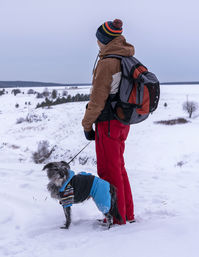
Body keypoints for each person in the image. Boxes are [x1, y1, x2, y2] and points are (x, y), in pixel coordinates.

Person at [81, 19, 135, 224]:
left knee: (108, 170)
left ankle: (116, 217)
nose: (96, 42)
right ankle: (127, 213)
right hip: (123, 121)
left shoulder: (107, 63)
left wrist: (87, 125)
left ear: (103, 39)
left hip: (108, 123)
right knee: (119, 167)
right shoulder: (126, 56)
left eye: (98, 38)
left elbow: (97, 100)